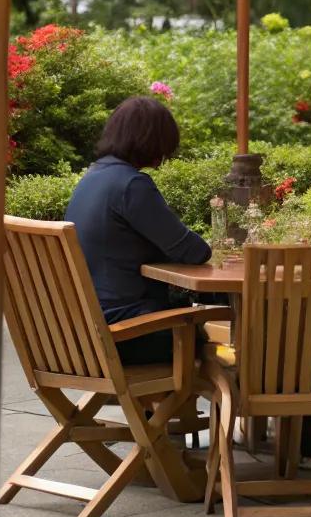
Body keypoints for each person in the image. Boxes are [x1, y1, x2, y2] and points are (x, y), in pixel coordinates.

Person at [66, 96, 211, 365]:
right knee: (199, 336)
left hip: (81, 334)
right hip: (123, 334)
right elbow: (194, 251)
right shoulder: (131, 185)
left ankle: (172, 400)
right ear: (152, 142)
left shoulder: (91, 178)